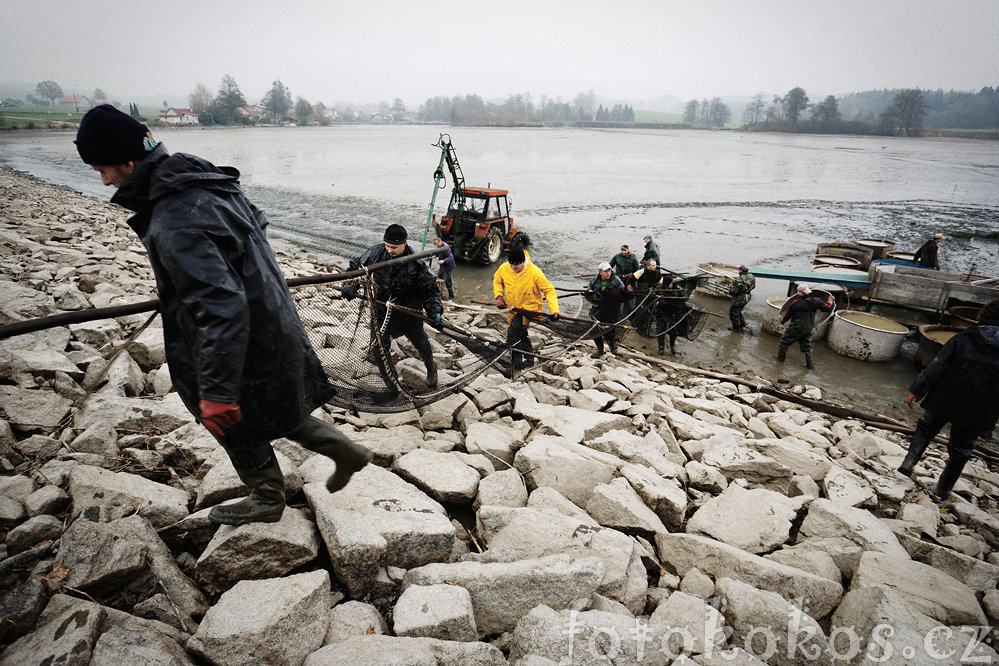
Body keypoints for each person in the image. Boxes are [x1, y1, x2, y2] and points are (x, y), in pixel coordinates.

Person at [74, 104, 371, 526]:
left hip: (236, 336)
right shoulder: (207, 179)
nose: (104, 181)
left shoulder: (173, 215)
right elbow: (257, 229)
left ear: (128, 160)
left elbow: (221, 307)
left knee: (228, 416)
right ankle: (347, 452)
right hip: (272, 317)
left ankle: (267, 495)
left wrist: (215, 389)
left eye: (102, 169)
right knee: (276, 402)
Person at [898, 298, 999, 499]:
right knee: (961, 448)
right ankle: (944, 488)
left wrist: (918, 389)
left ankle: (908, 464)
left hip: (945, 398)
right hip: (980, 408)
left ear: (983, 317)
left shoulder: (963, 339)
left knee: (926, 429)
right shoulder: (964, 339)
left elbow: (937, 366)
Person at [344, 224, 444, 388]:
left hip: (408, 310)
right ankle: (391, 382)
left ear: (404, 244)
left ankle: (431, 367)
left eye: (394, 247)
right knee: (378, 349)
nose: (390, 250)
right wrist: (351, 284)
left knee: (421, 342)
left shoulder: (417, 264)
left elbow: (430, 291)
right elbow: (357, 266)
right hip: (381, 309)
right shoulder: (376, 253)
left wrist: (435, 311)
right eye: (388, 246)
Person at [493, 246, 559, 371]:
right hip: (512, 309)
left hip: (529, 310)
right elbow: (497, 281)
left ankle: (516, 364)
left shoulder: (535, 273)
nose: (513, 268)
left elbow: (549, 290)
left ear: (523, 262)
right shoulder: (505, 268)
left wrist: (554, 310)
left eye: (516, 267)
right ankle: (529, 360)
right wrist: (499, 296)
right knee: (521, 334)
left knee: (513, 334)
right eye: (511, 265)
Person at [777, 285, 834, 369]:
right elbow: (828, 309)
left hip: (795, 327)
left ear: (800, 292)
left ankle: (779, 363)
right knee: (807, 347)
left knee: (784, 343)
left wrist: (782, 321)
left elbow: (786, 315)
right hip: (808, 328)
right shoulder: (816, 301)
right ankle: (810, 366)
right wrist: (830, 301)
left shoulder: (796, 303)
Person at [585, 262, 626, 358]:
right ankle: (600, 350)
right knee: (595, 330)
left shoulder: (616, 280)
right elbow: (589, 291)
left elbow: (624, 293)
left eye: (609, 271)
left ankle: (613, 350)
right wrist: (592, 296)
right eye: (605, 271)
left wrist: (615, 293)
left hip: (612, 308)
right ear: (600, 272)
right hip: (598, 308)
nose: (608, 273)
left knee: (610, 330)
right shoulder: (594, 280)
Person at [728, 265, 756, 332]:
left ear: (741, 270)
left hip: (740, 298)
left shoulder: (740, 279)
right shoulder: (752, 277)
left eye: (739, 269)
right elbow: (753, 286)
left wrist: (730, 293)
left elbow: (734, 290)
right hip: (747, 296)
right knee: (738, 310)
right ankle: (742, 323)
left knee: (734, 313)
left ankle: (736, 329)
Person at [433, 235, 456, 300]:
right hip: (443, 267)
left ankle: (451, 297)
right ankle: (440, 294)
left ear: (440, 241)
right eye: (436, 245)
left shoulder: (446, 247)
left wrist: (443, 261)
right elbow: (440, 252)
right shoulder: (440, 246)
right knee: (439, 278)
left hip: (447, 266)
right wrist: (436, 255)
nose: (437, 246)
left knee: (448, 281)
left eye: (437, 244)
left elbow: (451, 257)